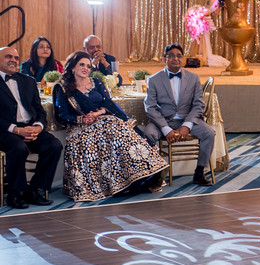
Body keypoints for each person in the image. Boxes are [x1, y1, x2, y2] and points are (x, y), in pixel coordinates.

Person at [53, 51, 168, 201]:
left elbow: (108, 104)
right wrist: (82, 119)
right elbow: (61, 116)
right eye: (81, 64)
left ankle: (135, 180)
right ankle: (115, 185)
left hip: (103, 121)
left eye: (88, 65)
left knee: (121, 133)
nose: (85, 68)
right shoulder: (62, 88)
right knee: (108, 135)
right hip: (80, 129)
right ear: (72, 67)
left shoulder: (96, 82)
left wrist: (98, 113)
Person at [141, 44, 216, 186]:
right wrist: (165, 129)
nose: (175, 58)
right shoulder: (154, 79)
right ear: (164, 59)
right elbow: (150, 107)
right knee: (148, 134)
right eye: (171, 55)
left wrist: (187, 126)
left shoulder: (193, 78)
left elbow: (199, 105)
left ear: (183, 59)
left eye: (179, 55)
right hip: (163, 121)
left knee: (209, 133)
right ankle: (154, 174)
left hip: (187, 119)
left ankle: (199, 172)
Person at [0, 46, 61, 208]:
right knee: (18, 147)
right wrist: (16, 129)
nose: (13, 60)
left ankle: (33, 190)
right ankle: (16, 193)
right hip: (4, 131)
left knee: (54, 145)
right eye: (8, 57)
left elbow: (39, 110)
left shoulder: (28, 81)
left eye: (16, 57)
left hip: (30, 128)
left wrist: (38, 127)